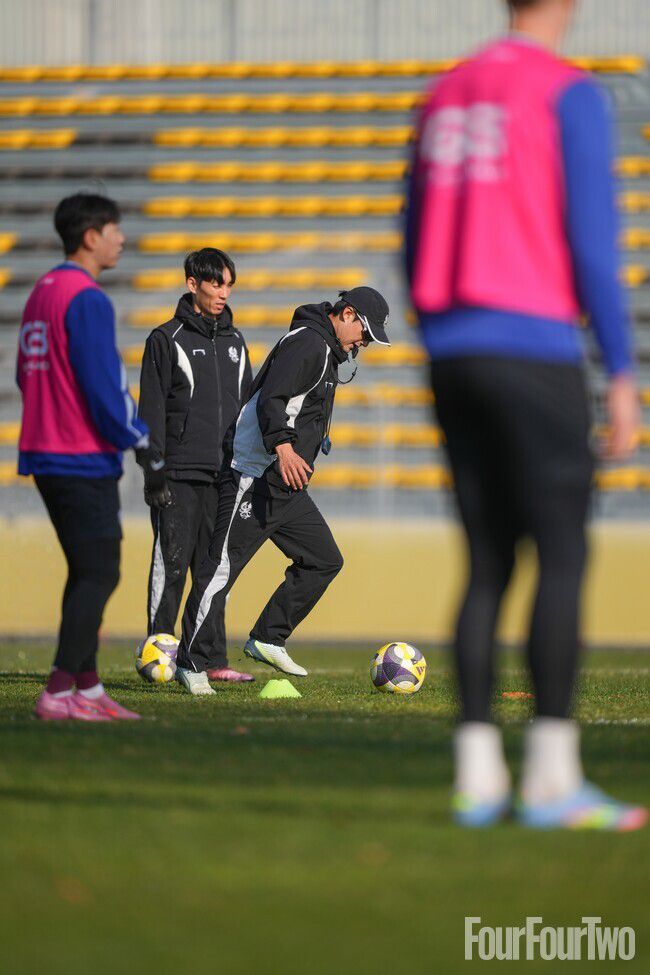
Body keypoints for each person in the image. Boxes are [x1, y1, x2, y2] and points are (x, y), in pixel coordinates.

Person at [406, 0, 647, 829]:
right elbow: (593, 245)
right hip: (535, 345)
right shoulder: (567, 91)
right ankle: (551, 778)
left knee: (485, 563)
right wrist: (621, 370)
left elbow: (411, 231)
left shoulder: (445, 90)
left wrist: (442, 336)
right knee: (562, 553)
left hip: (453, 349)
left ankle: (477, 778)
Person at [174, 287, 390, 694]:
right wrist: (284, 448)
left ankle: (268, 637)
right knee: (221, 567)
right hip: (254, 475)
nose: (364, 342)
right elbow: (271, 400)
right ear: (347, 314)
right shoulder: (309, 343)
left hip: (284, 484)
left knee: (323, 560)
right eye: (365, 332)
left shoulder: (326, 350)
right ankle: (190, 661)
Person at [17, 192, 166, 722]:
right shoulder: (87, 298)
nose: (121, 238)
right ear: (90, 236)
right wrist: (141, 440)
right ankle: (59, 691)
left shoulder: (43, 291)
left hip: (44, 450)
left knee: (86, 570)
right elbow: (105, 387)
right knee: (101, 571)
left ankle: (88, 687)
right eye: (113, 229)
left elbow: (25, 373)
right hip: (77, 454)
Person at [138, 248, 254, 682]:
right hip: (178, 476)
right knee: (170, 566)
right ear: (193, 284)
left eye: (228, 285)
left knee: (213, 571)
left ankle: (209, 659)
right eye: (215, 284)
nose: (223, 293)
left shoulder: (237, 342)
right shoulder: (164, 339)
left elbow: (247, 409)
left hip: (225, 476)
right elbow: (150, 411)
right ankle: (158, 656)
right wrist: (153, 471)